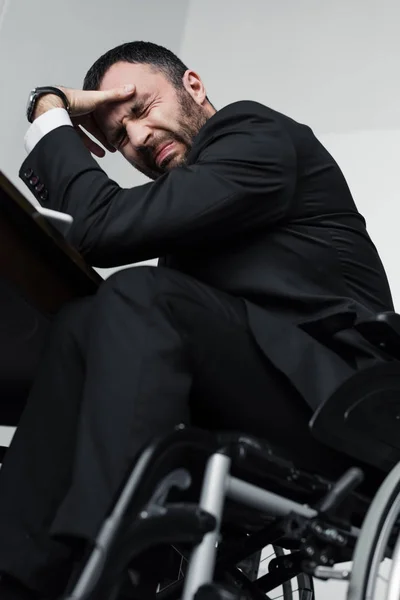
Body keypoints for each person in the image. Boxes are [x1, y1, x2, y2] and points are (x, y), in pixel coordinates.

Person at [0, 40, 394, 599]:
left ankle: (114, 564)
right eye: (118, 138)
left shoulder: (254, 134)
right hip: (249, 403)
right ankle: (16, 575)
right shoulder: (186, 234)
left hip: (341, 409)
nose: (136, 138)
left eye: (139, 110)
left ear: (193, 85)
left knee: (138, 296)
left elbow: (102, 226)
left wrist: (49, 112)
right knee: (79, 322)